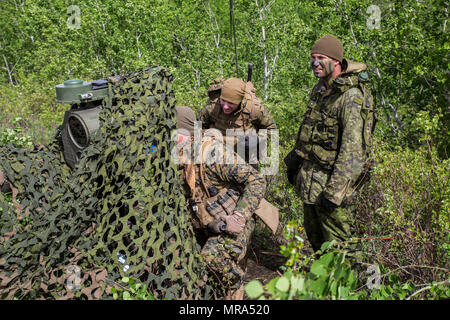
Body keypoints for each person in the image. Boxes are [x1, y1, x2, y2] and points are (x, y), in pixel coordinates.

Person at [284, 35, 376, 255]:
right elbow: (309, 131)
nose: (315, 63)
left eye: (321, 58)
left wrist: (333, 195)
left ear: (336, 61)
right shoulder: (320, 90)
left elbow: (352, 153)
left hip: (334, 190)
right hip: (311, 186)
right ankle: (321, 290)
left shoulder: (350, 97)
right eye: (313, 58)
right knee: (319, 250)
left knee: (341, 254)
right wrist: (295, 163)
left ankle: (347, 290)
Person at [174, 106, 277, 299]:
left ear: (187, 133)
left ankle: (241, 288)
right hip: (206, 222)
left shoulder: (213, 153)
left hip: (233, 220)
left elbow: (256, 180)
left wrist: (240, 216)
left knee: (213, 258)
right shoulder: (177, 156)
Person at [197, 78, 276, 167]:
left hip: (245, 160)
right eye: (223, 101)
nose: (226, 107)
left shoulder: (255, 109)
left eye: (231, 103)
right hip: (217, 158)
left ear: (241, 101)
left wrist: (257, 139)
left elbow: (272, 130)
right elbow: (197, 130)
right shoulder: (212, 107)